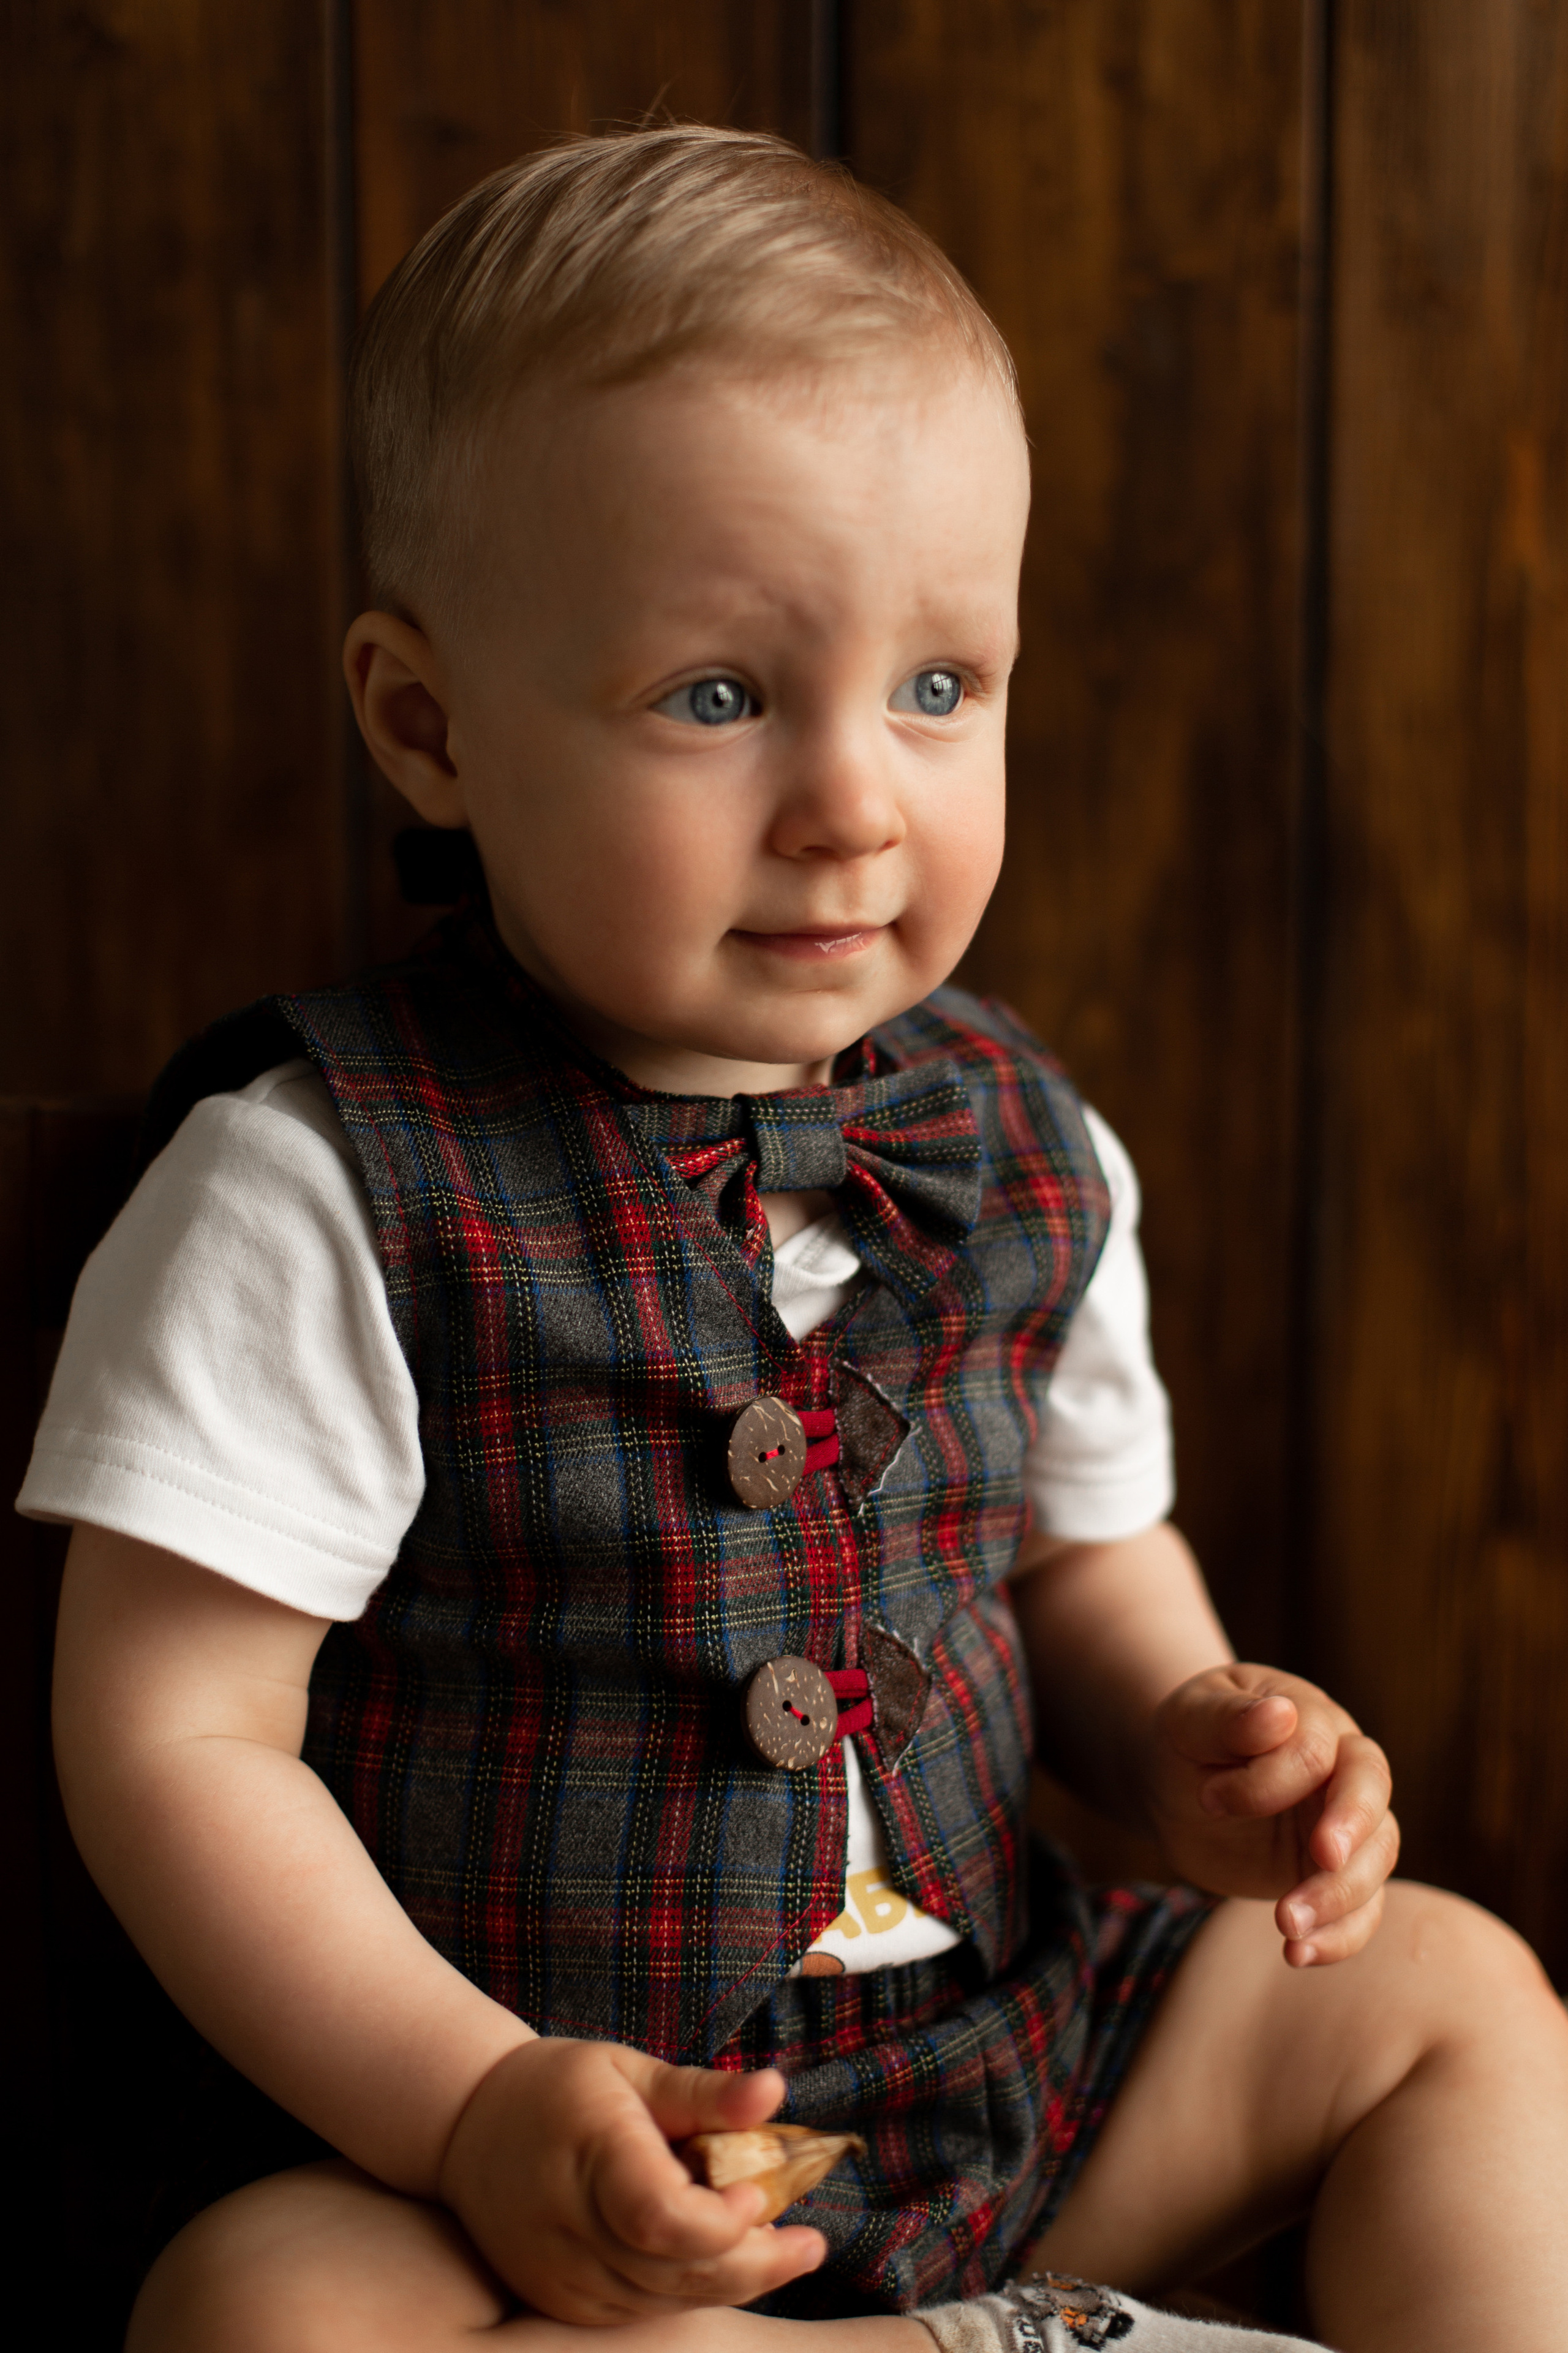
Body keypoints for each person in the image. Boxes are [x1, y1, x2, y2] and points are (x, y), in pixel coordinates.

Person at [28, 126, 1568, 2353]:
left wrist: (1202, 1748)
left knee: (1459, 1997)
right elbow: (171, 1733)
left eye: (941, 687)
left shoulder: (1032, 1143)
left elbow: (1083, 1568)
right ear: (429, 722)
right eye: (722, 696)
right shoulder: (324, 1181)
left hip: (1015, 2073)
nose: (858, 797)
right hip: (551, 2155)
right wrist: (472, 2108)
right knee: (261, 2307)